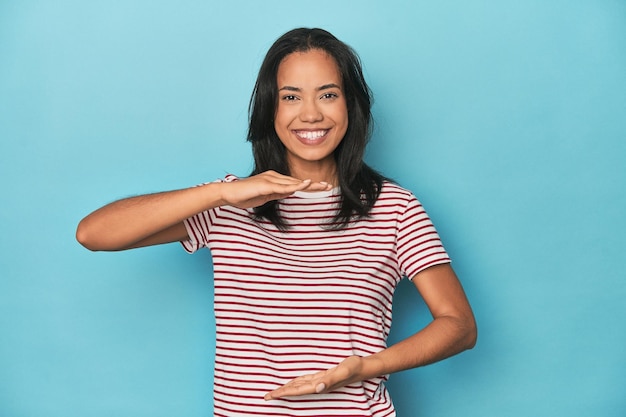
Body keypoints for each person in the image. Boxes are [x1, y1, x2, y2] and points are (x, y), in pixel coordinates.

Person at [76, 27, 477, 417]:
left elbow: (458, 324)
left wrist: (364, 367)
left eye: (328, 95)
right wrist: (221, 192)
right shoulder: (231, 204)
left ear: (350, 105)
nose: (310, 114)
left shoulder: (393, 207)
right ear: (271, 108)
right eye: (291, 97)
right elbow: (94, 234)